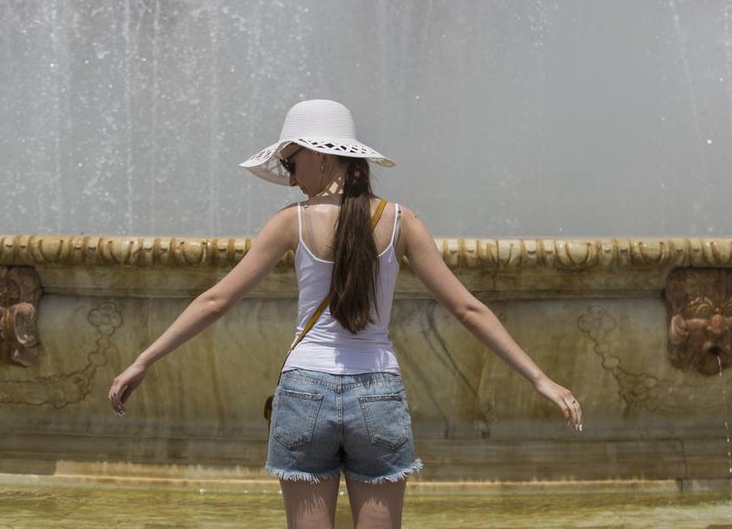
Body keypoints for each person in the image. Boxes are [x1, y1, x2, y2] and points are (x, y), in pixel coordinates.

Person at [109, 99, 582, 529]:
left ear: (321, 155)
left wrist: (144, 359)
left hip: (304, 391)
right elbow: (467, 308)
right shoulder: (402, 221)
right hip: (377, 393)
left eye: (291, 163)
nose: (291, 177)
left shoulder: (289, 223)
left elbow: (216, 301)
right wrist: (540, 379)